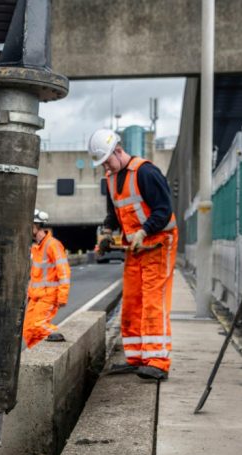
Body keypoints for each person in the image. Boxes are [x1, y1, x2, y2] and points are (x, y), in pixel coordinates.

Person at [88, 128, 177, 381]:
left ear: (118, 150)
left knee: (153, 300)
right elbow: (114, 214)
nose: (105, 166)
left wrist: (144, 231)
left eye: (107, 160)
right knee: (133, 300)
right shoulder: (111, 178)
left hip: (159, 244)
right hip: (137, 247)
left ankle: (158, 361)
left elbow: (164, 210)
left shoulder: (146, 172)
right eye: (102, 163)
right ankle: (138, 358)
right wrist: (106, 232)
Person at [22, 209, 70, 348]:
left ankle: (63, 342)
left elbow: (64, 272)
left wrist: (63, 296)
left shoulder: (53, 244)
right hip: (35, 297)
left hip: (48, 295)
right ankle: (36, 353)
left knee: (39, 325)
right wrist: (29, 294)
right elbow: (36, 275)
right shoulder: (36, 248)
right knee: (28, 330)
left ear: (36, 226)